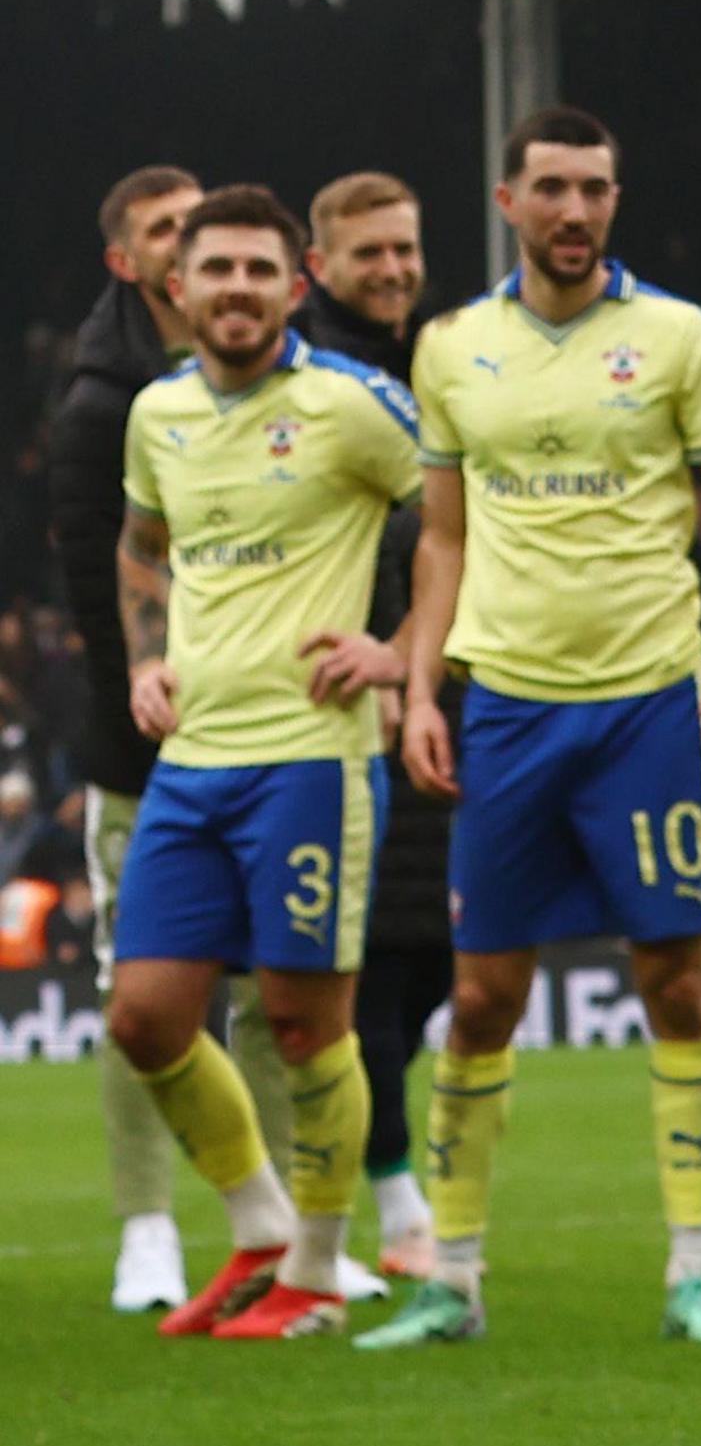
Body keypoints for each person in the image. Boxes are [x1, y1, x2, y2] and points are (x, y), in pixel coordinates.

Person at [361, 106, 701, 1349]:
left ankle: (693, 1272)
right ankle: (453, 1280)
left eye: (595, 189)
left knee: (677, 984)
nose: (575, 210)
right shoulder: (451, 348)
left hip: (651, 702)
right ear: (508, 200)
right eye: (551, 187)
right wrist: (425, 687)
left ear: (614, 200)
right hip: (507, 709)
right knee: (484, 996)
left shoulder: (674, 337)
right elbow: (439, 537)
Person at [104, 187, 421, 1338]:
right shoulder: (156, 413)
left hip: (312, 759)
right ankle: (261, 1228)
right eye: (215, 269)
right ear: (176, 288)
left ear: (297, 286)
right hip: (193, 761)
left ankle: (319, 1273)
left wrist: (402, 653)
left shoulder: (353, 403)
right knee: (144, 1016)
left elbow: (465, 516)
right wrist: (148, 654)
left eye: (259, 270)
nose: (236, 288)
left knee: (303, 1021)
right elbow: (141, 543)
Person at [51, 162, 309, 1313]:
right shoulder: (107, 404)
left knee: (272, 989)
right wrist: (140, 728)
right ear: (131, 262)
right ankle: (145, 1223)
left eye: (194, 224)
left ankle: (284, 1216)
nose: (185, 242)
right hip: (148, 749)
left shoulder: (269, 385)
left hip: (271, 735)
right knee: (141, 993)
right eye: (164, 231)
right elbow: (100, 586)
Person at [296, 170, 450, 1276]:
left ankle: (373, 1198)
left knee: (433, 959)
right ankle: (388, 1211)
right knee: (381, 969)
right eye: (368, 255)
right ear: (321, 267)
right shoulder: (303, 380)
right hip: (344, 705)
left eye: (405, 249)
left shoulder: (439, 363)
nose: (392, 269)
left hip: (446, 695)